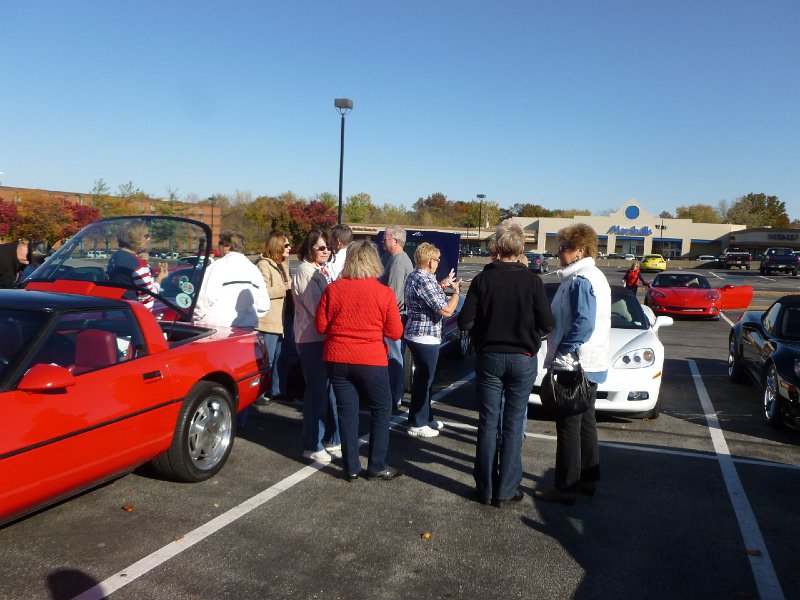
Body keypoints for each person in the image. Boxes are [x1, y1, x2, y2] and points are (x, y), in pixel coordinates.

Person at [458, 221, 554, 506]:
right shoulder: (532, 281)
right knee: (513, 424)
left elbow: (465, 322)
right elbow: (548, 322)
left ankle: (486, 488)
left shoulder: (482, 280)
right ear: (522, 249)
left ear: (497, 248)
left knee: (488, 423)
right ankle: (507, 488)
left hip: (489, 358)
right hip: (523, 359)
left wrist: (484, 327)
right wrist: (531, 332)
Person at [534, 223, 611, 505]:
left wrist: (563, 350)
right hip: (590, 363)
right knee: (586, 422)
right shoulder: (594, 276)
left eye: (564, 248)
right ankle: (588, 479)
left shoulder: (581, 281)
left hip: (574, 365)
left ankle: (566, 487)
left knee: (568, 426)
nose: (560, 253)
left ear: (580, 251)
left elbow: (583, 325)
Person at [316, 240, 405, 481]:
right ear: (374, 262)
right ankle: (376, 464)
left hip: (337, 357)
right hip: (371, 360)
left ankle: (351, 467)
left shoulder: (334, 289)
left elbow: (321, 326)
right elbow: (395, 332)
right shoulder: (383, 293)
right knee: (381, 409)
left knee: (347, 412)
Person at [403, 242, 461, 437]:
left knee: (424, 379)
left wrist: (443, 283)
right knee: (423, 381)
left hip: (416, 333)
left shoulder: (415, 276)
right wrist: (456, 293)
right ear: (429, 262)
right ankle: (417, 423)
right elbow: (445, 310)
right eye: (437, 260)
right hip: (425, 336)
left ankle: (426, 417)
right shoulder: (425, 280)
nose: (438, 263)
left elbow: (430, 295)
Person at [293, 229, 340, 463]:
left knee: (329, 390)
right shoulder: (305, 271)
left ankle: (332, 438)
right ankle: (312, 444)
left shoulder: (324, 270)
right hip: (312, 339)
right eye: (320, 247)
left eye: (328, 247)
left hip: (326, 339)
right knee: (316, 394)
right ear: (310, 247)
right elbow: (316, 308)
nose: (325, 251)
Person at [193, 230, 270, 329]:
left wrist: (196, 320)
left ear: (227, 246)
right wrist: (248, 317)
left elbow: (203, 299)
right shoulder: (253, 269)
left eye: (220, 243)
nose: (218, 247)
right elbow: (263, 305)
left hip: (216, 328)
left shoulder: (216, 267)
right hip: (246, 329)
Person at [253, 231, 293, 405]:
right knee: (266, 359)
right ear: (277, 246)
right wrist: (284, 287)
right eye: (286, 245)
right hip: (268, 322)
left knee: (281, 357)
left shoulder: (283, 263)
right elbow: (262, 292)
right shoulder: (263, 265)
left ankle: (277, 390)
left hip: (283, 319)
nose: (290, 248)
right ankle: (259, 393)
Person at [378, 226, 414, 412]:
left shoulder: (399, 261)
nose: (383, 241)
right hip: (396, 315)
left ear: (396, 241)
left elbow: (394, 295)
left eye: (386, 238)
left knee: (394, 356)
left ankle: (394, 398)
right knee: (393, 355)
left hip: (396, 316)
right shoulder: (394, 259)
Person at [107, 222, 169, 310]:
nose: (149, 239)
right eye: (146, 236)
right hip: (136, 315)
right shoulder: (138, 265)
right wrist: (160, 277)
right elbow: (148, 295)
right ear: (136, 238)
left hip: (117, 309)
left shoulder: (115, 257)